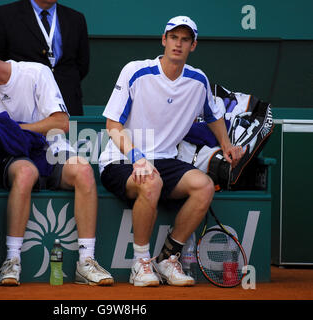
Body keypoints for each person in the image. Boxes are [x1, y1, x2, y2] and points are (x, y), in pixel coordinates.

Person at [0, 35, 113, 286]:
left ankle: (86, 261)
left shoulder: (36, 73)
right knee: (26, 173)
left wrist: (18, 130)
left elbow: (61, 123)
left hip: (49, 149)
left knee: (83, 171)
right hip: (11, 157)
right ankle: (12, 261)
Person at [98, 16, 245, 287]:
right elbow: (113, 125)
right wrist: (137, 158)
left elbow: (213, 116)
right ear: (164, 40)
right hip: (120, 160)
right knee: (150, 181)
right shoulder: (136, 71)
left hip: (165, 160)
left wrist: (226, 146)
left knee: (203, 186)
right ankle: (141, 264)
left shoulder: (198, 80)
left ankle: (168, 258)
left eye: (185, 39)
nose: (178, 44)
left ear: (193, 45)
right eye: (174, 37)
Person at [0, 0, 89, 116]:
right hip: (23, 100)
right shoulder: (4, 14)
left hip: (67, 99)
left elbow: (82, 64)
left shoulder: (75, 18)